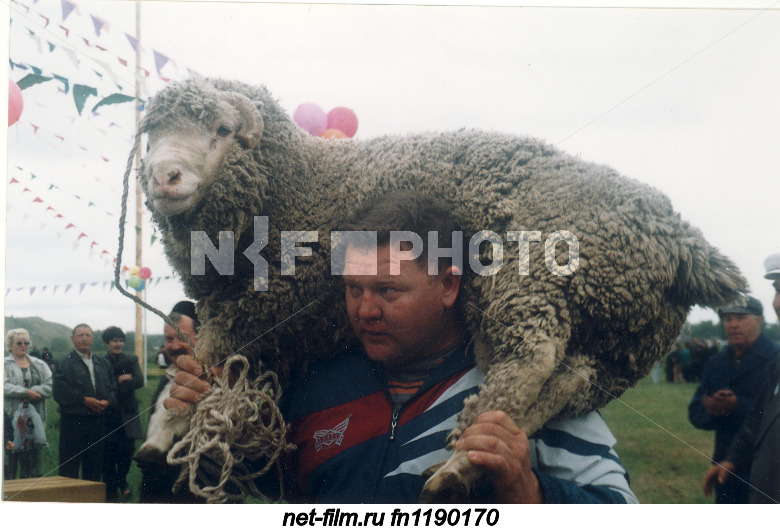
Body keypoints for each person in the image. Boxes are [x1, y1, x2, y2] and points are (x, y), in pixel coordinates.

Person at [168, 192, 637, 503]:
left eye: (388, 291)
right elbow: (279, 491)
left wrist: (527, 489)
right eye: (353, 289)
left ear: (448, 285)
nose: (365, 310)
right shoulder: (315, 388)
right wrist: (212, 427)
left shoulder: (524, 392)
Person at [701, 253, 780, 503]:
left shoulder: (771, 356)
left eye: (740, 318)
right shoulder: (779, 362)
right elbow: (759, 420)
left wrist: (736, 406)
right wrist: (731, 460)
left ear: (758, 320)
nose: (777, 302)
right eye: (777, 290)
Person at [137, 301, 204, 503]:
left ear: (201, 338)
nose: (174, 346)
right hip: (155, 486)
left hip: (191, 493)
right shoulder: (168, 378)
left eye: (182, 338)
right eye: (169, 338)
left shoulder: (212, 379)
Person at [53, 324, 117, 482]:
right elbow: (60, 392)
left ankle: (91, 504)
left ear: (92, 338)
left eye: (88, 335)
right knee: (69, 468)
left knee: (94, 467)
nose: (84, 338)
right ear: (73, 339)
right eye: (80, 335)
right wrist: (84, 400)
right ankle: (68, 503)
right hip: (73, 422)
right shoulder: (63, 363)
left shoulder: (103, 363)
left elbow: (113, 388)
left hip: (97, 421)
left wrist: (108, 401)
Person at [101, 326, 144, 500]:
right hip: (109, 414)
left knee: (127, 451)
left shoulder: (131, 360)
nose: (118, 344)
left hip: (128, 413)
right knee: (109, 452)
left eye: (120, 340)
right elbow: (102, 386)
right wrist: (119, 380)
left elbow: (139, 381)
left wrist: (116, 385)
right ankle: (111, 489)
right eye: (114, 341)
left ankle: (122, 480)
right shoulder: (101, 361)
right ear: (106, 343)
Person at [3, 328, 53, 479]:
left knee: (32, 465)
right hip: (9, 420)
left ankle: (31, 498)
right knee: (8, 465)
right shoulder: (3, 364)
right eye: (19, 343)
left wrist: (34, 392)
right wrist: (24, 392)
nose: (23, 346)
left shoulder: (39, 364)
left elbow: (50, 385)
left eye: (26, 343)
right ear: (10, 345)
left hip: (34, 420)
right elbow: (3, 386)